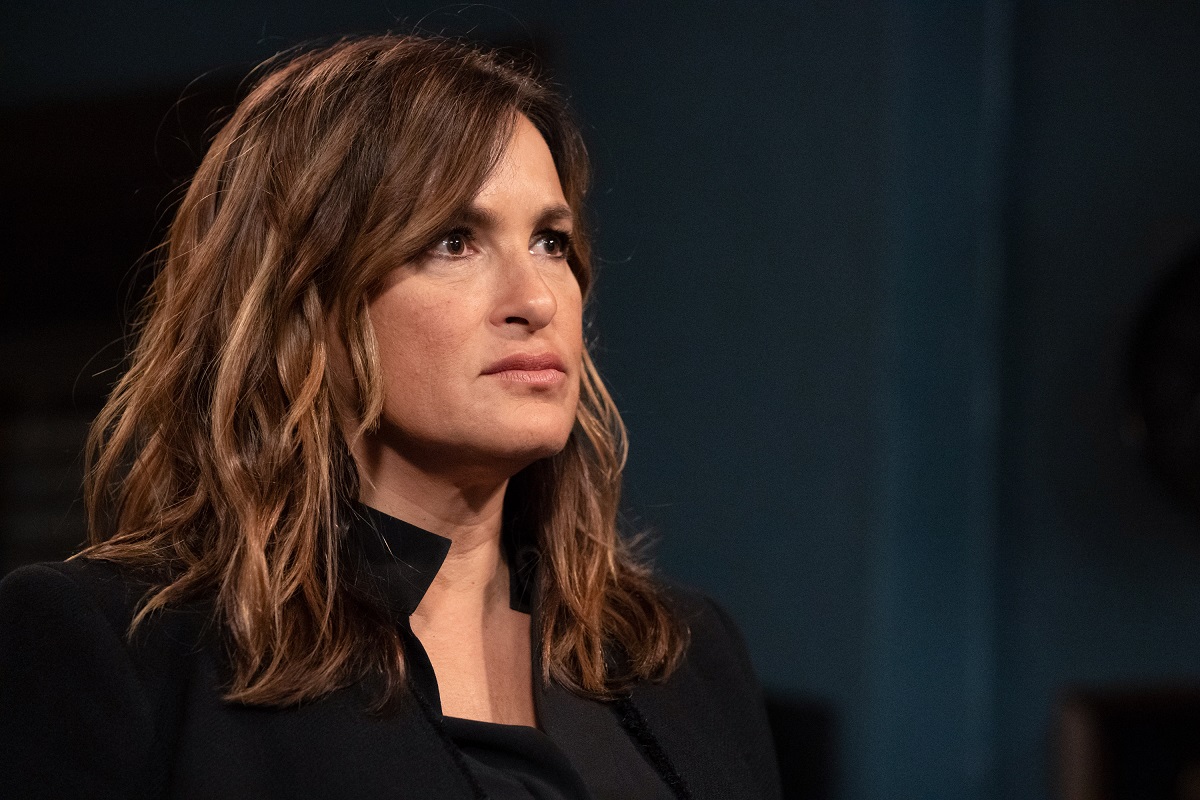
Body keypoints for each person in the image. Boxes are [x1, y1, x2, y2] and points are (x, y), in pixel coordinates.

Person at [0, 35, 781, 799]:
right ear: (303, 299)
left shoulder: (682, 653)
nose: (537, 300)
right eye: (453, 241)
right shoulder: (120, 646)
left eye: (550, 241)